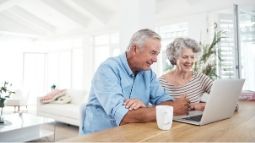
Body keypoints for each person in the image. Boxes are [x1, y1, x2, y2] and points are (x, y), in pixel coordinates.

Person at [80, 29, 190, 135]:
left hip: (131, 134)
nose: (155, 59)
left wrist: (146, 108)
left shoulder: (148, 73)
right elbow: (124, 117)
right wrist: (173, 108)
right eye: (153, 53)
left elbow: (165, 102)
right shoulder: (108, 69)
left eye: (157, 54)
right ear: (134, 49)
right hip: (100, 137)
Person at [159, 37, 213, 111]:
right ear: (175, 58)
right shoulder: (161, 82)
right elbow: (158, 109)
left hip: (194, 121)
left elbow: (221, 97)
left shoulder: (200, 78)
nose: (189, 61)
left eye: (192, 57)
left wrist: (202, 105)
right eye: (185, 57)